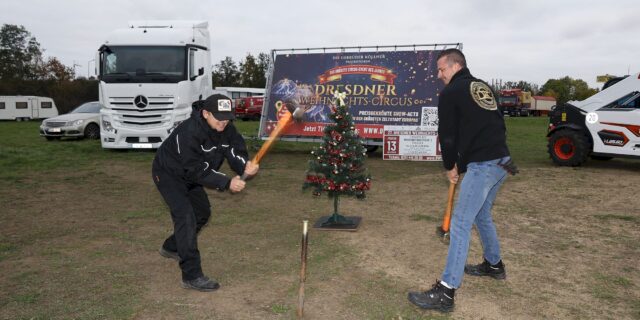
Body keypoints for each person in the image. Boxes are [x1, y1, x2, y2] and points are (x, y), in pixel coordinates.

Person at [408, 48, 517, 312]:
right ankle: (493, 264)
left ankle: (446, 293)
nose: (438, 74)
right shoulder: (482, 87)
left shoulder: (451, 93)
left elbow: (446, 134)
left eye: (441, 69)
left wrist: (450, 166)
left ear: (456, 66)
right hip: (502, 161)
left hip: (485, 165)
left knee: (459, 224)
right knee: (481, 216)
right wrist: (464, 161)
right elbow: (492, 125)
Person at [152, 94, 259, 292]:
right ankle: (192, 276)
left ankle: (171, 247)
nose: (224, 121)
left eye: (227, 116)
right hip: (169, 174)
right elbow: (195, 169)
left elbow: (236, 154)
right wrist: (227, 182)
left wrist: (246, 168)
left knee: (202, 214)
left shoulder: (227, 129)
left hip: (194, 175)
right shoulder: (189, 132)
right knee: (185, 216)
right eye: (219, 116)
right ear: (206, 113)